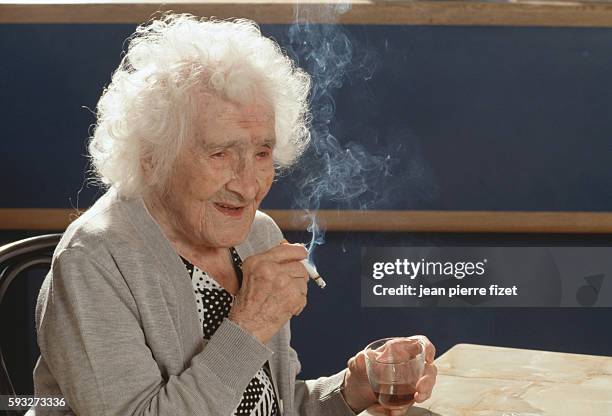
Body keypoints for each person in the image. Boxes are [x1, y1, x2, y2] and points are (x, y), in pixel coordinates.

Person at [30, 14, 437, 415]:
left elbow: (263, 404)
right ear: (153, 158)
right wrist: (249, 325)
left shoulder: (256, 234)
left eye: (262, 153)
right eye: (220, 153)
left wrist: (349, 390)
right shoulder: (95, 261)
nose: (248, 185)